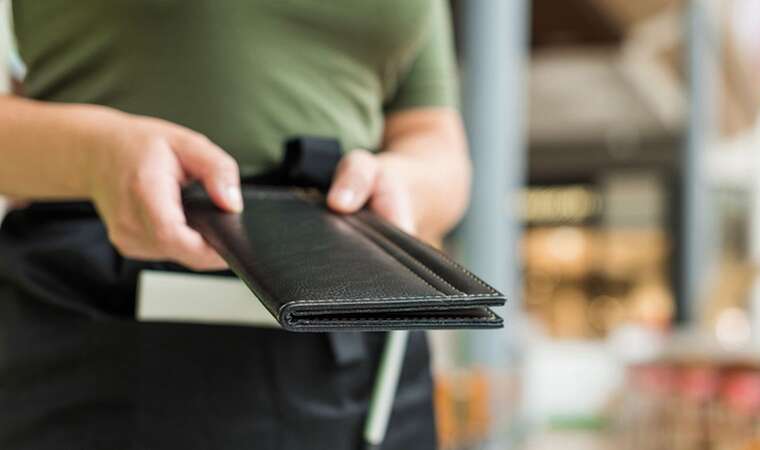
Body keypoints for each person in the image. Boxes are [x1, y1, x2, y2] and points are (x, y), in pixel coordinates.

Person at [0, 1, 471, 449]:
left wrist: (406, 186)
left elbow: (434, 137)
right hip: (102, 320)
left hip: (361, 338)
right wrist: (92, 155)